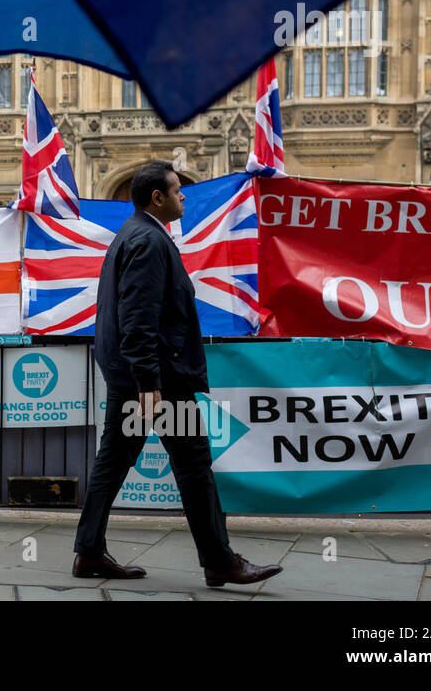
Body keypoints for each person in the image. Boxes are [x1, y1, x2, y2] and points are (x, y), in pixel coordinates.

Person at [72, 161, 282, 588]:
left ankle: (90, 552)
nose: (183, 195)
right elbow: (137, 318)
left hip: (136, 378)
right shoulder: (148, 241)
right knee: (192, 465)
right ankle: (220, 561)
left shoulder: (135, 233)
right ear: (157, 198)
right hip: (159, 382)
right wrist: (150, 384)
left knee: (113, 464)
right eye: (177, 190)